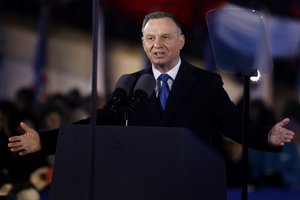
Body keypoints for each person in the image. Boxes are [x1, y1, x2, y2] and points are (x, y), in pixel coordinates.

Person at [8, 11, 294, 157]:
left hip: (191, 185)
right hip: (141, 184)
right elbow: (97, 125)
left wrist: (266, 136)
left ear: (181, 42)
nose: (157, 45)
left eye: (166, 37)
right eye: (150, 38)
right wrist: (44, 141)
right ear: (143, 44)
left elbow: (233, 125)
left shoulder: (205, 83)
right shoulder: (132, 84)